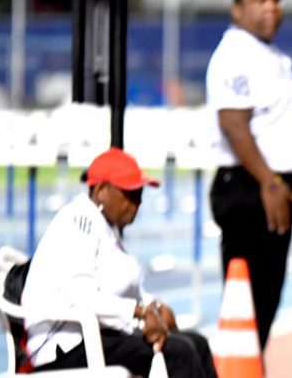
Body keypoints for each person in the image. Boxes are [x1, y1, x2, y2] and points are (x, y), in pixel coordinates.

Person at [20, 147, 217, 377]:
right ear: (102, 190)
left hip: (97, 337)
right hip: (66, 346)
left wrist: (156, 306)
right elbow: (83, 297)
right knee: (178, 352)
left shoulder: (105, 228)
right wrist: (140, 311)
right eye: (130, 194)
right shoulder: (79, 221)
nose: (138, 202)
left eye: (140, 194)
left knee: (198, 343)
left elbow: (123, 291)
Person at [206, 0, 292, 355]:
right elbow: (233, 123)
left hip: (272, 186)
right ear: (237, 10)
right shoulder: (236, 52)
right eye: (259, 0)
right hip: (252, 187)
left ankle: (250, 366)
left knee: (264, 299)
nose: (271, 7)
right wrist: (269, 183)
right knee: (246, 301)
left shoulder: (271, 54)